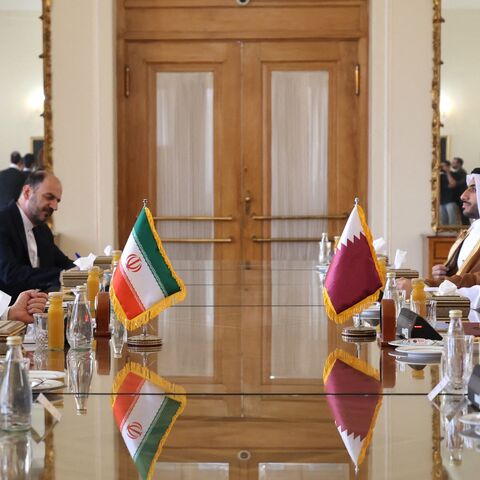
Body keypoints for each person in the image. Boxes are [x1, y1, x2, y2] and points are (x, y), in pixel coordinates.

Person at [398, 168, 480, 295]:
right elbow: (462, 275)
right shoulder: (470, 231)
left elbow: (475, 280)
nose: (463, 195)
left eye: (474, 189)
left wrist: (424, 286)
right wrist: (444, 273)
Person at [0, 170, 75, 302]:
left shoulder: (43, 230)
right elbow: (11, 275)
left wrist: (85, 269)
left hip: (41, 309)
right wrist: (61, 275)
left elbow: (63, 262)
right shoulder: (3, 222)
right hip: (9, 315)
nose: (55, 206)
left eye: (57, 201)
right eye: (49, 197)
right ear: (27, 192)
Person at [439, 160, 461, 225]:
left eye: (443, 166)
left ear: (448, 166)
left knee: (452, 223)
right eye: (441, 166)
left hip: (451, 201)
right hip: (441, 202)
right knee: (443, 223)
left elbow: (453, 184)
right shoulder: (439, 176)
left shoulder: (454, 174)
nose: (442, 168)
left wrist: (448, 172)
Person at [451, 157, 468, 225]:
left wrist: (454, 184)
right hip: (458, 197)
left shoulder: (462, 172)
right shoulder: (456, 172)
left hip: (461, 197)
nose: (452, 164)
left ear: (459, 164)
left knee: (464, 215)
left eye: (454, 163)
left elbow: (462, 182)